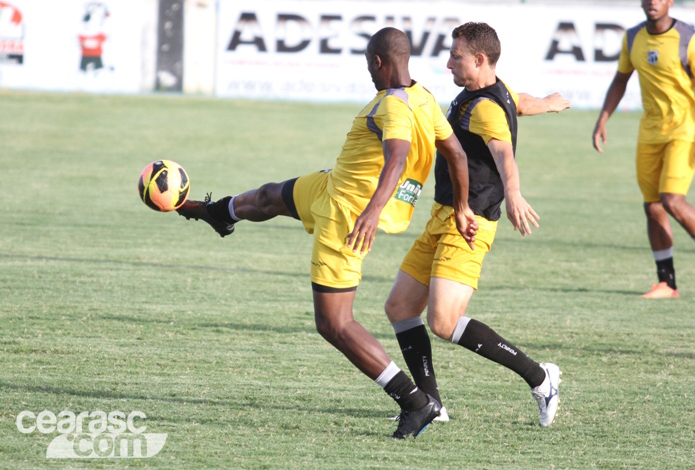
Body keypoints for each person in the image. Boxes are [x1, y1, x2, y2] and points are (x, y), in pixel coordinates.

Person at [176, 27, 478, 439]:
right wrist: (461, 207)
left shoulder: (392, 106)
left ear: (377, 62)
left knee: (334, 323)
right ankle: (218, 212)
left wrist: (371, 214)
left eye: (368, 65)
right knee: (268, 197)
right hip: (333, 185)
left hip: (347, 215)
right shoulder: (423, 96)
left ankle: (414, 402)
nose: (369, 73)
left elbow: (397, 158)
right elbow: (456, 154)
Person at [384, 22, 571, 428]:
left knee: (444, 321)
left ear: (479, 59)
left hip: (470, 224)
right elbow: (515, 101)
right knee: (399, 307)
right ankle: (431, 404)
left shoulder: (484, 107)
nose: (448, 62)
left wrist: (515, 193)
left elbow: (504, 154)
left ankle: (541, 378)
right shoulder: (487, 92)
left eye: (456, 55)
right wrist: (547, 102)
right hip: (444, 215)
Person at [592, 0, 695, 300]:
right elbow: (620, 80)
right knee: (653, 207)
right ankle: (667, 283)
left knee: (671, 200)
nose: (652, 1)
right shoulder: (633, 38)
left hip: (685, 129)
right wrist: (602, 119)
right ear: (642, 2)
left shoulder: (689, 40)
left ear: (670, 2)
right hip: (650, 130)